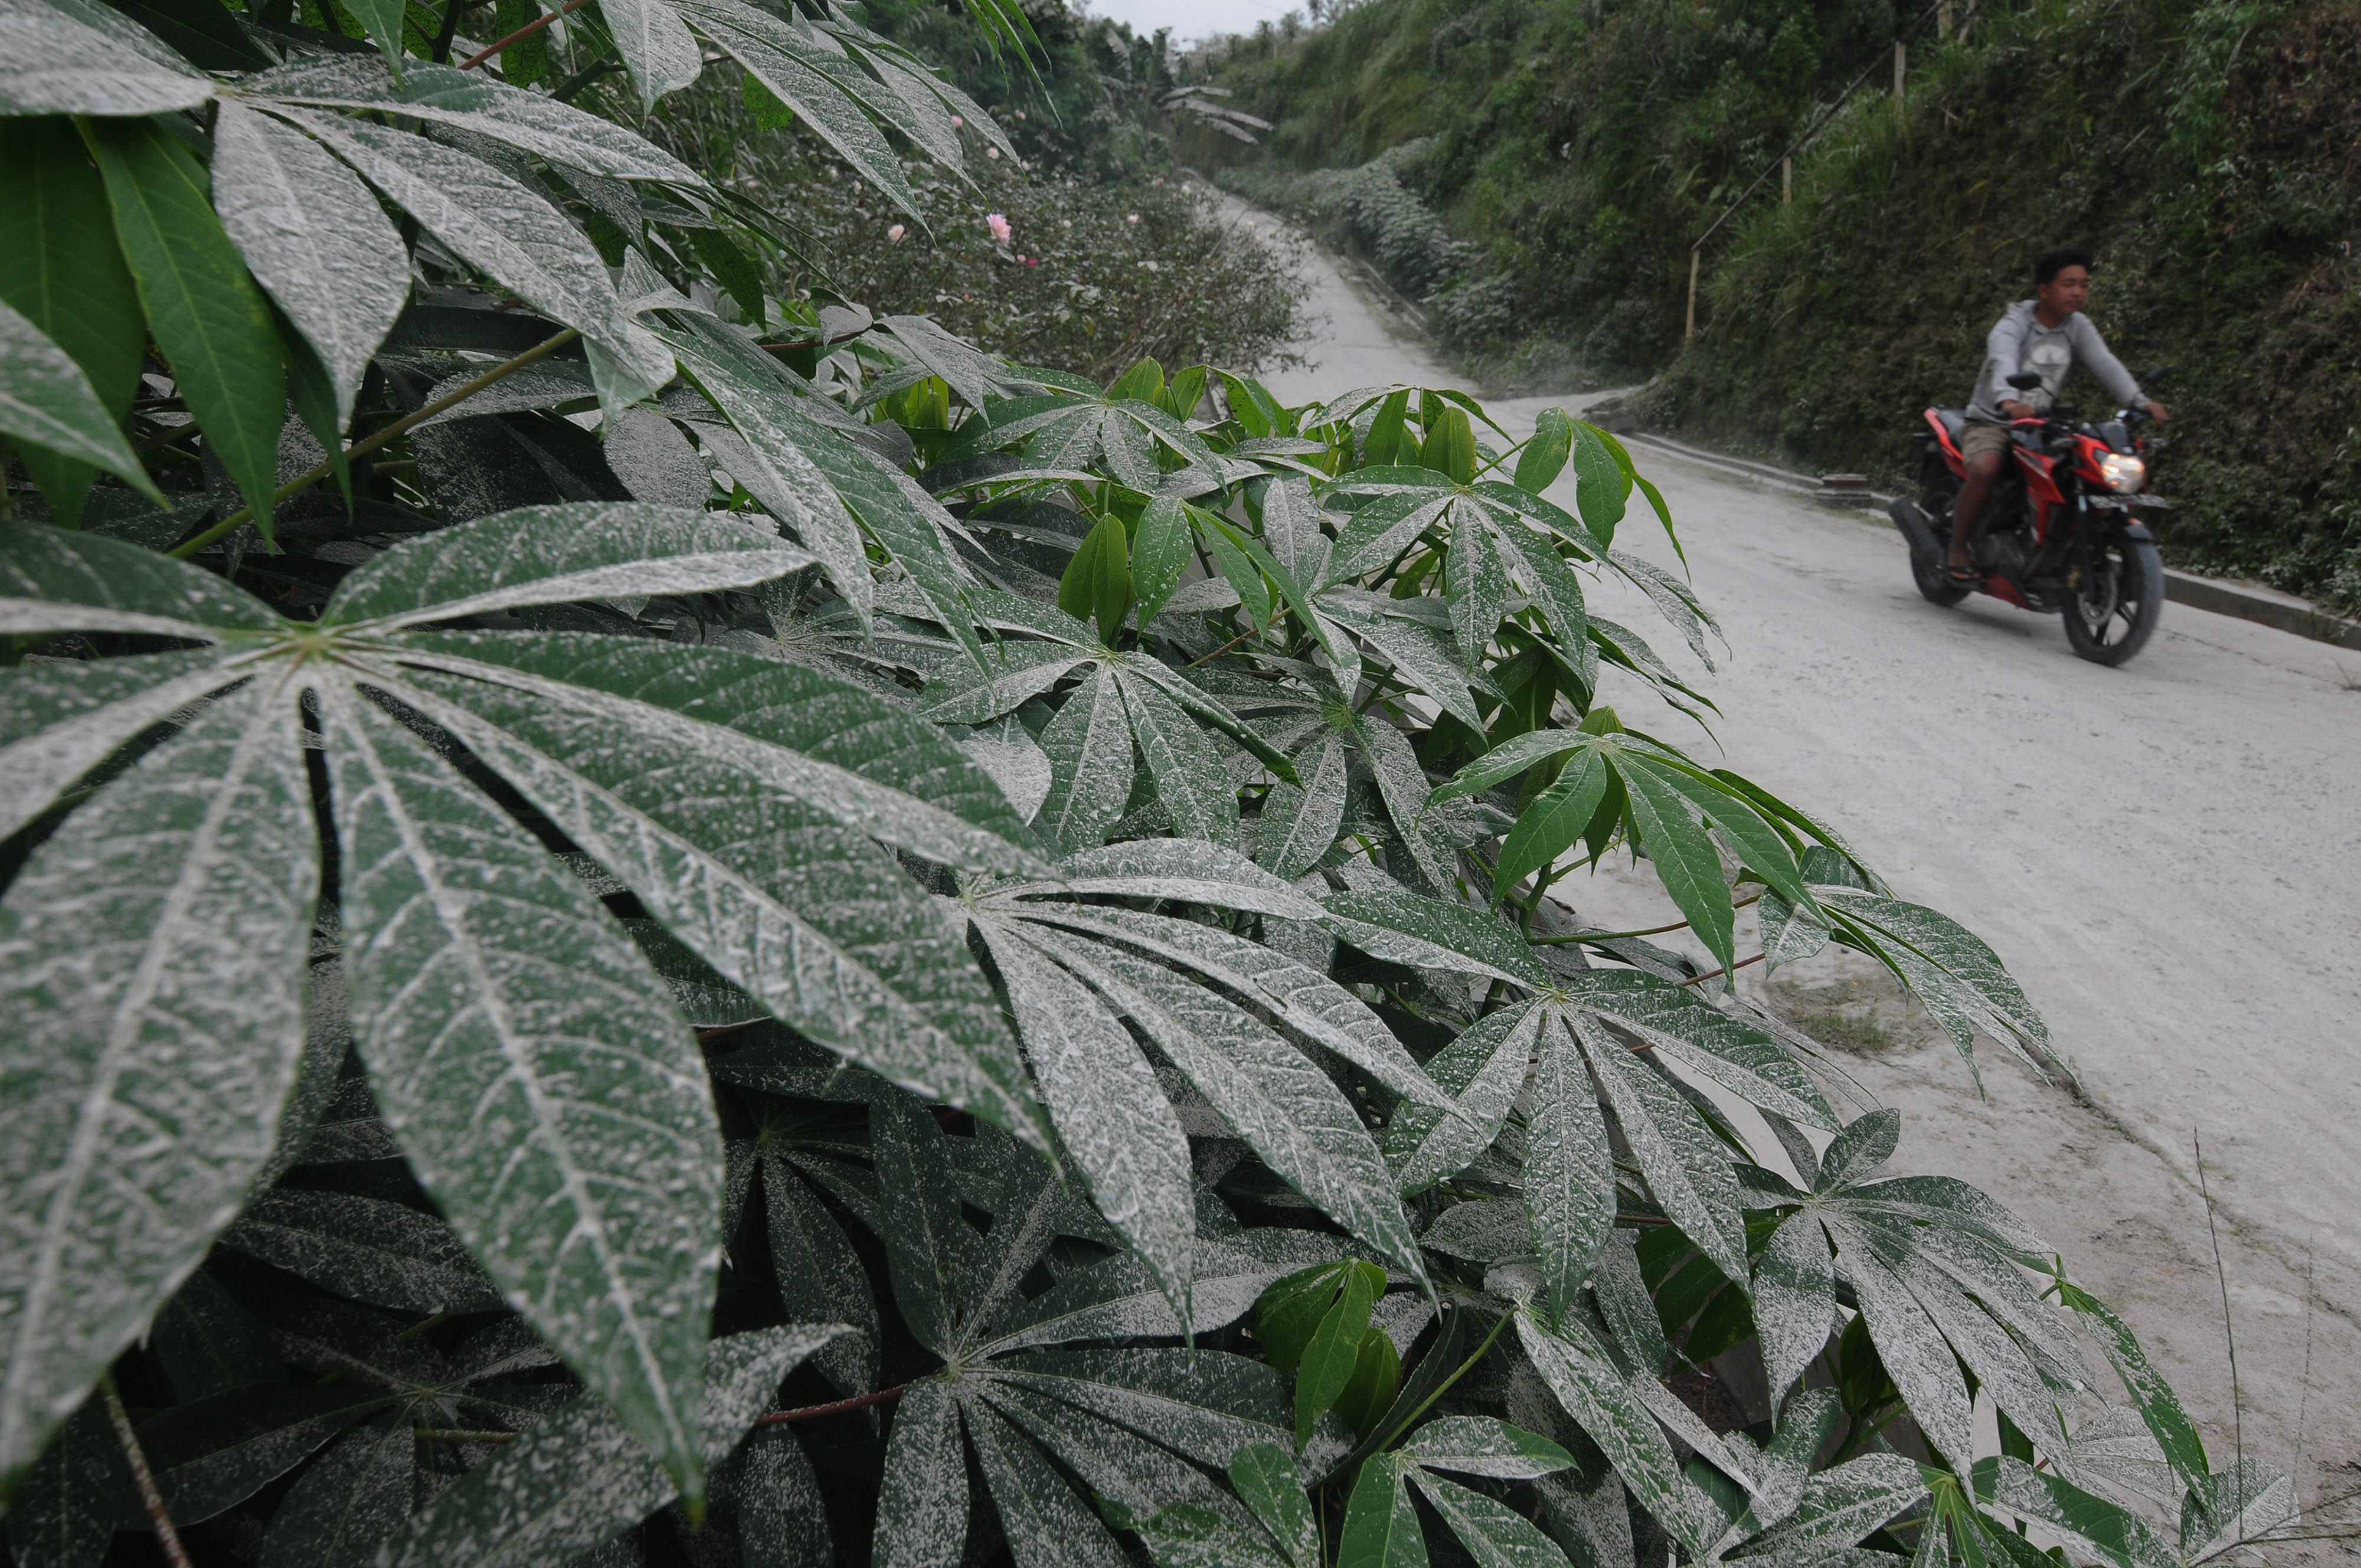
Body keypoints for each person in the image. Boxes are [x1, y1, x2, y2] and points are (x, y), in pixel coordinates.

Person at [1944, 247, 2169, 585]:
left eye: (2083, 284)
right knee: (1987, 468)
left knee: (2072, 473)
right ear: (2044, 290)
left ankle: (2051, 548)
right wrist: (2009, 400)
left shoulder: (2077, 326)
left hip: (2042, 423)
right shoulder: (2013, 324)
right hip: (1993, 420)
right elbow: (2002, 358)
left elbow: (2104, 362)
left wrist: (2140, 401)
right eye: (2068, 284)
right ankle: (1957, 549)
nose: (2078, 292)